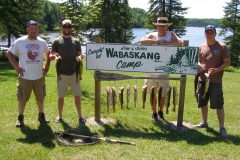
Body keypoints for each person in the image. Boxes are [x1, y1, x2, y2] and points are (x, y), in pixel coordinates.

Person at [7, 20, 53, 127]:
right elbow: (9, 53)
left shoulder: (42, 42)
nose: (34, 31)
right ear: (27, 29)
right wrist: (16, 67)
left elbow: (48, 53)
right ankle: (20, 118)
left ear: (38, 30)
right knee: (22, 98)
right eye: (31, 29)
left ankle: (41, 116)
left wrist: (47, 66)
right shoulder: (20, 41)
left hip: (39, 76)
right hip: (25, 76)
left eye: (36, 29)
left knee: (40, 98)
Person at [140, 17, 183, 120]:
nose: (161, 28)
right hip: (151, 70)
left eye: (164, 26)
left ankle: (161, 112)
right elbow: (142, 41)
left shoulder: (171, 34)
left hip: (165, 70)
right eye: (159, 26)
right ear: (156, 26)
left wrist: (166, 43)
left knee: (163, 93)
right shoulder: (152, 35)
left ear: (167, 26)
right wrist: (156, 41)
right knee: (152, 92)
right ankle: (154, 113)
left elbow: (180, 43)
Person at [195, 25, 230, 138]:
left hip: (216, 81)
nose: (209, 34)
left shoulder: (222, 47)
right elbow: (198, 61)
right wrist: (199, 66)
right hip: (202, 79)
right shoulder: (201, 46)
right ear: (205, 34)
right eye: (207, 32)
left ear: (215, 33)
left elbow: (227, 62)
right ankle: (204, 122)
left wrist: (216, 70)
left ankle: (221, 128)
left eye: (211, 32)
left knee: (218, 104)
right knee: (202, 101)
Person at [50, 19, 86, 124]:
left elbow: (80, 53)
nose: (67, 29)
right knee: (61, 96)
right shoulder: (56, 41)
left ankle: (80, 116)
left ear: (71, 28)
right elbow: (52, 54)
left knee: (77, 95)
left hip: (75, 73)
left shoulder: (76, 41)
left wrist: (80, 56)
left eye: (68, 27)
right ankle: (59, 116)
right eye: (64, 27)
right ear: (61, 28)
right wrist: (55, 56)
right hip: (61, 73)